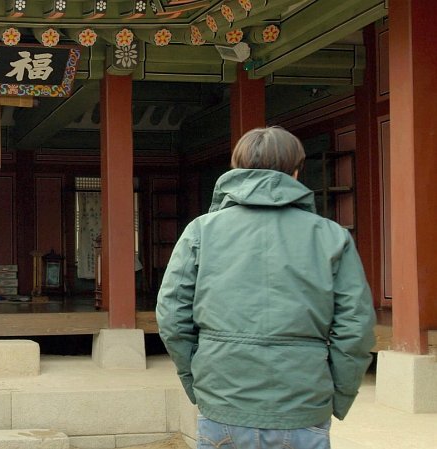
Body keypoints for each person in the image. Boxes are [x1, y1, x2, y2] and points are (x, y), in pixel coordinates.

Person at [156, 126, 375, 449]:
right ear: (296, 172)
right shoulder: (330, 236)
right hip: (303, 403)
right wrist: (337, 396)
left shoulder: (201, 231)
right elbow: (355, 327)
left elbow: (172, 316)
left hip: (223, 399)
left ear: (237, 169)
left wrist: (197, 383)